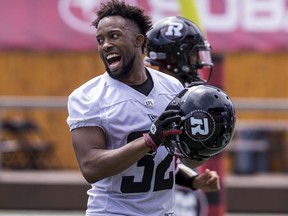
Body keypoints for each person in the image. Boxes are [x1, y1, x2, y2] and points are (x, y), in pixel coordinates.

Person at [66, 1, 210, 215]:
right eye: (100, 39)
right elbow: (91, 168)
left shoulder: (172, 87)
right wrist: (149, 140)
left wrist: (204, 143)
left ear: (138, 40)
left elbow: (180, 156)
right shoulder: (87, 96)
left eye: (114, 36)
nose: (105, 45)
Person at [145, 16, 221, 215]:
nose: (199, 62)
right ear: (175, 59)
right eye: (194, 55)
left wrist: (193, 180)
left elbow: (165, 162)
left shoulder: (177, 95)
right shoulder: (150, 99)